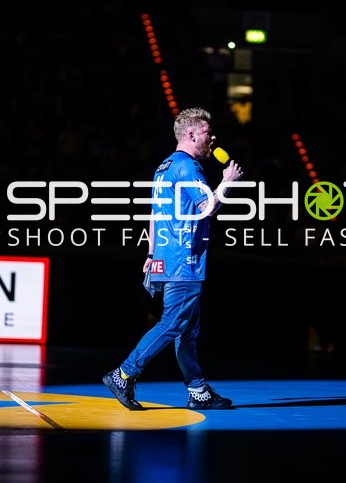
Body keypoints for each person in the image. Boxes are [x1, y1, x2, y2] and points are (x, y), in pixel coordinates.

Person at [103, 107, 243, 411]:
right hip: (184, 260)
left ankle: (198, 390)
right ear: (192, 134)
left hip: (167, 257)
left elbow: (154, 215)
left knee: (187, 329)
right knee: (173, 322)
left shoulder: (163, 167)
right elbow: (207, 206)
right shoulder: (188, 167)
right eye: (208, 132)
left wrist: (152, 254)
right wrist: (227, 181)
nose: (213, 137)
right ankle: (124, 373)